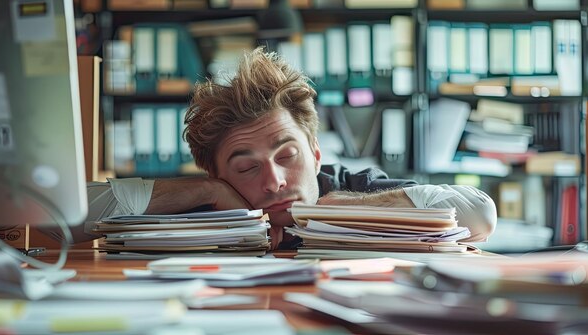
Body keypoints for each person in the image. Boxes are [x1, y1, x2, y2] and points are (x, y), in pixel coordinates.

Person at [81, 47, 497, 249]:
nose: (275, 181)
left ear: (315, 152)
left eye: (287, 156)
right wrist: (204, 193)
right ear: (219, 175)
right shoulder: (208, 205)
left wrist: (334, 210)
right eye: (246, 168)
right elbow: (57, 215)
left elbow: (481, 215)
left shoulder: (360, 187)